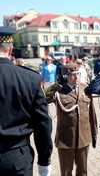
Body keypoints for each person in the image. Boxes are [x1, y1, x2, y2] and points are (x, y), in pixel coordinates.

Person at [0, 26, 53, 175]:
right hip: (17, 157)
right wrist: (44, 161)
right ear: (10, 50)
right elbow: (43, 123)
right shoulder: (30, 78)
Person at [44, 62, 98, 176]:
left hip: (83, 137)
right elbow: (42, 98)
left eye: (78, 74)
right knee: (66, 171)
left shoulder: (85, 89)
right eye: (73, 75)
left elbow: (91, 113)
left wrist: (94, 132)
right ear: (65, 76)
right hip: (65, 139)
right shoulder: (59, 91)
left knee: (83, 171)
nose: (76, 77)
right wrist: (57, 85)